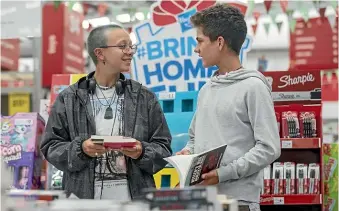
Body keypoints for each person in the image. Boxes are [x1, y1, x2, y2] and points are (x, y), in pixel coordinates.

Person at [41, 24, 172, 200]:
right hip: (83, 201)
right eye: (122, 46)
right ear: (100, 53)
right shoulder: (69, 98)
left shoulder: (144, 97)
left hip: (136, 201)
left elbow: (164, 149)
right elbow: (50, 147)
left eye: (130, 46)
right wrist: (81, 149)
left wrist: (142, 151)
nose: (130, 51)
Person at [176, 4, 281, 211]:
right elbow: (195, 138)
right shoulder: (207, 89)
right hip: (202, 200)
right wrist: (187, 153)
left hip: (238, 202)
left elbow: (269, 148)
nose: (196, 49)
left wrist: (223, 173)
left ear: (220, 42)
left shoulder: (253, 87)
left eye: (200, 41)